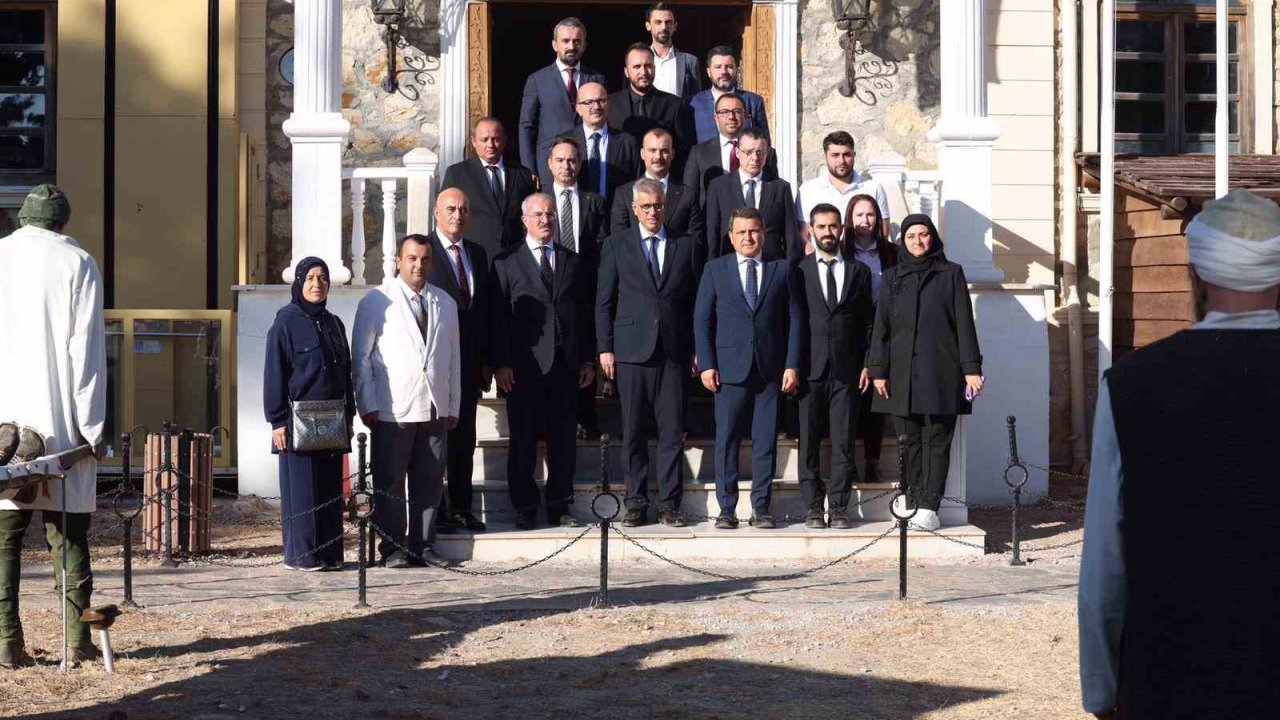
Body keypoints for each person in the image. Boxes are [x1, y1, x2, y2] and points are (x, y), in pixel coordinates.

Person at [1079, 189, 1280, 720]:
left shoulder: (1132, 385)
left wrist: (1101, 690)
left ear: (1196, 273)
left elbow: (1105, 558)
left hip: (1170, 674)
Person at [0, 185, 106, 668]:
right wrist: (93, 428)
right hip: (61, 423)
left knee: (4, 539)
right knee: (69, 538)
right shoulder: (77, 263)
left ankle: (5, 644)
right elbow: (84, 355)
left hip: (3, 423)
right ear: (62, 222)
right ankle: (77, 645)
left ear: (24, 218)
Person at [865, 215, 982, 532]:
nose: (918, 241)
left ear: (933, 238)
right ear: (902, 240)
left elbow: (964, 324)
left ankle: (930, 506)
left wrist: (972, 369)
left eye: (924, 234)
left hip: (942, 370)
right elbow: (882, 328)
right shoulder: (892, 277)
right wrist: (878, 370)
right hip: (901, 373)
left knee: (937, 441)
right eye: (911, 235)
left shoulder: (950, 273)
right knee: (908, 441)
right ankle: (911, 501)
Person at [352, 235, 461, 568]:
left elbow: (453, 359)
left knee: (429, 482)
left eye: (425, 259)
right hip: (393, 407)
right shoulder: (376, 300)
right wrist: (367, 403)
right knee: (391, 481)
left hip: (434, 407)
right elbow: (362, 357)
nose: (419, 265)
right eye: (412, 258)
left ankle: (424, 545)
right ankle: (392, 547)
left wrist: (452, 406)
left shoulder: (445, 303)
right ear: (399, 261)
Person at [596, 179, 699, 528]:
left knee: (672, 432)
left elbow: (696, 303)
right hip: (630, 351)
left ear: (665, 206)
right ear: (634, 209)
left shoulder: (685, 246)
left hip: (673, 350)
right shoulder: (616, 245)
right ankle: (636, 501)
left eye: (658, 206)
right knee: (634, 430)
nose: (653, 212)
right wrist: (605, 347)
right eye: (646, 207)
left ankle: (671, 503)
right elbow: (604, 302)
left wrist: (698, 348)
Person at [491, 194, 596, 529]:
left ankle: (558, 505)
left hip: (565, 367)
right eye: (538, 215)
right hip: (523, 369)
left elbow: (585, 314)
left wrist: (586, 360)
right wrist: (501, 363)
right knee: (523, 440)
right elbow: (498, 319)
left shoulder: (573, 262)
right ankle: (524, 507)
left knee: (563, 441)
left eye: (550, 214)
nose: (546, 220)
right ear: (524, 220)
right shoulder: (506, 263)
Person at [694, 207, 802, 529]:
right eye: (741, 232)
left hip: (770, 369)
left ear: (764, 233)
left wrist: (792, 364)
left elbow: (795, 319)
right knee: (727, 439)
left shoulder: (781, 270)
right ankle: (727, 509)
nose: (748, 237)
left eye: (754, 231)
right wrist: (707, 363)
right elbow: (702, 319)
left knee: (765, 440)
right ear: (730, 236)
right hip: (728, 370)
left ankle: (761, 507)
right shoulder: (715, 269)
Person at [264, 257, 354, 570]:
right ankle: (302, 556)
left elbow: (346, 375)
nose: (317, 284)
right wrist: (276, 420)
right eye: (310, 278)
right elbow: (274, 371)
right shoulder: (285, 321)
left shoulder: (334, 323)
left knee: (329, 490)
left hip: (332, 419)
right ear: (299, 282)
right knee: (302, 490)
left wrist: (349, 419)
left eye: (322, 278)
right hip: (296, 420)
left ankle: (330, 554)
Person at [794, 204, 873, 529]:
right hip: (809, 370)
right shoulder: (799, 270)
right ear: (811, 230)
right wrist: (792, 366)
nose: (828, 232)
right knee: (808, 442)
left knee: (843, 441)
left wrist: (869, 364)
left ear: (842, 229)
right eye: (821, 226)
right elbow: (793, 322)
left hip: (847, 370)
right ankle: (813, 506)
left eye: (833, 226)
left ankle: (838, 507)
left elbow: (868, 323)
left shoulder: (859, 272)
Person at [425, 189, 491, 533]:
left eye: (464, 209)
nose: (457, 215)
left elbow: (483, 313)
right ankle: (435, 511)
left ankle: (463, 508)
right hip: (434, 366)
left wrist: (485, 362)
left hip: (467, 366)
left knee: (465, 439)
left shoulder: (477, 254)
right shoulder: (425, 253)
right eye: (450, 208)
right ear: (436, 212)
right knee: (435, 443)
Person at [545, 136, 608, 439]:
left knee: (583, 352)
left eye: (571, 160)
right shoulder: (538, 201)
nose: (566, 166)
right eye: (560, 160)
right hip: (549, 286)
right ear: (549, 164)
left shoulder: (594, 201)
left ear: (580, 164)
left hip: (584, 287)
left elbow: (602, 244)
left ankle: (587, 417)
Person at [844, 194, 896, 482]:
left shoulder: (891, 252)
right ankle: (847, 458)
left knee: (878, 396)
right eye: (859, 215)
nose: (865, 221)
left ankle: (872, 460)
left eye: (871, 215)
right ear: (850, 219)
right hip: (851, 332)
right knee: (851, 398)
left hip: (883, 330)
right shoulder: (842, 251)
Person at [518, 17, 607, 174]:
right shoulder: (537, 80)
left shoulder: (597, 79)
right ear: (555, 44)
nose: (571, 46)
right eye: (565, 41)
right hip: (549, 166)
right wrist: (529, 170)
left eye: (577, 41)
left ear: (584, 45)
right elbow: (526, 127)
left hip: (588, 163)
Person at [440, 117, 538, 256]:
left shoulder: (522, 174)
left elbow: (530, 215)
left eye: (496, 139)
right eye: (484, 139)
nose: (490, 145)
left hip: (515, 256)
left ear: (504, 140)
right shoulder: (457, 174)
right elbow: (445, 216)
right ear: (473, 141)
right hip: (474, 256)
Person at [704, 128, 798, 264]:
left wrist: (790, 271)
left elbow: (791, 236)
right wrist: (712, 269)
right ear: (737, 152)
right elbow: (712, 234)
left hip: (770, 267)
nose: (755, 158)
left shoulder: (780, 188)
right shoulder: (718, 187)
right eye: (748, 152)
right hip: (730, 266)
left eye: (760, 152)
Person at [539, 82, 639, 209]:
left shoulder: (628, 143)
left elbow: (635, 185)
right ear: (578, 108)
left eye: (601, 101)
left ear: (608, 105)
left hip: (615, 215)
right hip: (577, 217)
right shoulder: (564, 142)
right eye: (588, 102)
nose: (596, 106)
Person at [609, 128, 703, 247]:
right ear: (642, 154)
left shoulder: (687, 195)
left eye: (664, 151)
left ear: (672, 154)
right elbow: (619, 239)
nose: (658, 156)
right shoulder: (624, 194)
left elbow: (695, 241)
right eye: (652, 150)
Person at [608, 44, 694, 170]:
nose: (643, 72)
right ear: (626, 72)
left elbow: (683, 150)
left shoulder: (673, 104)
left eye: (648, 66)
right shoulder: (611, 104)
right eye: (637, 67)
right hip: (620, 181)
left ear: (654, 68)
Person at [683, 93, 777, 206]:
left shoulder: (767, 153)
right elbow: (689, 196)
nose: (731, 117)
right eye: (724, 112)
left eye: (737, 111)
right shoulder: (699, 153)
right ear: (715, 117)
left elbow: (774, 194)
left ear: (745, 115)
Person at [795, 131, 890, 242]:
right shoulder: (808, 190)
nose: (841, 161)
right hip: (822, 258)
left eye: (846, 155)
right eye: (835, 155)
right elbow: (803, 234)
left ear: (854, 156)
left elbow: (883, 232)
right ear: (825, 157)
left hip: (864, 257)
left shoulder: (873, 188)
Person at [688, 46, 770, 144]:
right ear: (709, 72)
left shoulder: (753, 102)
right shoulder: (693, 103)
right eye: (718, 67)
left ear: (737, 70)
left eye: (729, 67)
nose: (724, 72)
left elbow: (765, 145)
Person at [645, 3, 701, 100]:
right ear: (648, 26)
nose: (663, 27)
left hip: (678, 114)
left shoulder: (690, 61)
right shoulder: (637, 61)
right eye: (658, 22)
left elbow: (696, 100)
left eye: (668, 22)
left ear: (675, 26)